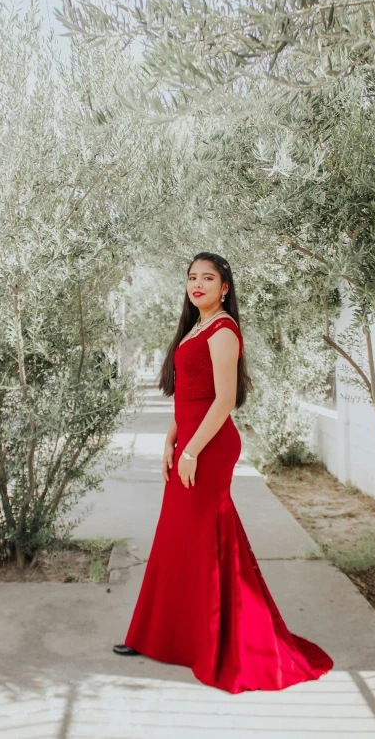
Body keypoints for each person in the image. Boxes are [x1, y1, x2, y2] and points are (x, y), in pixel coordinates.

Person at [113, 252, 333, 693]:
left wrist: (192, 449)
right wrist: (171, 440)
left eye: (207, 278)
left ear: (225, 287)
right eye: (192, 277)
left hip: (211, 448)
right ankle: (160, 636)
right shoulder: (193, 328)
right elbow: (187, 397)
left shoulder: (224, 331)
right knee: (178, 538)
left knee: (201, 536)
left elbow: (224, 400)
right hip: (192, 442)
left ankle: (213, 641)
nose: (197, 284)